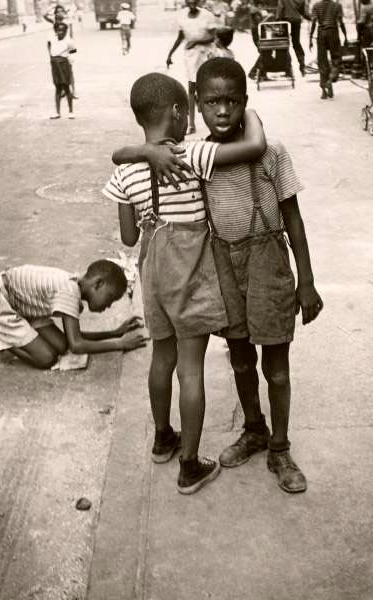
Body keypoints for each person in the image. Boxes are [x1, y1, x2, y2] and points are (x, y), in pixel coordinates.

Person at [137, 58, 323, 494]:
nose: (223, 111)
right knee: (241, 359)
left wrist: (307, 280)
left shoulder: (270, 151)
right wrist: (146, 150)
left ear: (245, 102)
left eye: (233, 101)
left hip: (269, 263)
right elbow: (134, 159)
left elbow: (294, 220)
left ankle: (280, 447)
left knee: (276, 366)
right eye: (213, 102)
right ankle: (254, 428)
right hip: (222, 267)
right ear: (196, 105)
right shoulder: (194, 156)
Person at [103, 72, 267, 495]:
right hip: (189, 267)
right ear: (178, 112)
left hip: (152, 269)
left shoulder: (126, 172)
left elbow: (127, 238)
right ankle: (190, 465)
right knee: (190, 369)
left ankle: (163, 439)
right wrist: (248, 111)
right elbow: (255, 147)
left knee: (163, 357)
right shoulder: (191, 154)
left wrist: (138, 156)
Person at [0, 260, 147, 368]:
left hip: (23, 305)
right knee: (46, 358)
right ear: (98, 284)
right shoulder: (70, 290)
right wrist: (120, 343)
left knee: (61, 345)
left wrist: (114, 332)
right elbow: (77, 345)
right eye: (110, 298)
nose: (108, 306)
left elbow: (72, 340)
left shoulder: (73, 288)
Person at [166, 0, 218, 134]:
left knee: (209, 87)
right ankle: (192, 124)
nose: (192, 3)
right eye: (189, 1)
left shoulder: (207, 15)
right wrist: (170, 54)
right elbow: (180, 37)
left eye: (194, 0)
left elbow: (213, 37)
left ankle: (214, 122)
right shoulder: (182, 16)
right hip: (191, 56)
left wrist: (196, 41)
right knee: (191, 88)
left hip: (207, 53)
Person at [309, 0, 348, 99]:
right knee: (336, 60)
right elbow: (341, 22)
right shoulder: (337, 5)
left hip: (321, 33)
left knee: (322, 62)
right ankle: (329, 81)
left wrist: (310, 38)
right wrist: (345, 36)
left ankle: (324, 91)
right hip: (333, 33)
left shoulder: (316, 5)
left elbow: (313, 21)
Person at [44, 5, 78, 98]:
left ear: (64, 12)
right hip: (58, 48)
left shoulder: (67, 21)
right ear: (55, 13)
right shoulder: (55, 21)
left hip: (67, 47)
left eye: (61, 11)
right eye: (58, 11)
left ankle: (73, 92)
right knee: (60, 72)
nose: (60, 13)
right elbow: (45, 15)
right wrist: (52, 7)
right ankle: (64, 90)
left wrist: (72, 49)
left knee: (70, 70)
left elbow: (71, 35)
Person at [48, 22, 76, 119]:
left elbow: (73, 50)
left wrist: (66, 56)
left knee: (66, 87)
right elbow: (49, 46)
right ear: (55, 31)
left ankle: (71, 111)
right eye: (58, 30)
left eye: (63, 31)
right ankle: (57, 112)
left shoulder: (68, 41)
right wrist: (51, 58)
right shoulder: (52, 39)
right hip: (55, 64)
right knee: (57, 88)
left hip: (64, 64)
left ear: (66, 31)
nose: (60, 32)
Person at [276, 0, 310, 76]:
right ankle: (302, 66)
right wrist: (309, 18)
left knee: (284, 44)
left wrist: (278, 22)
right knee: (296, 43)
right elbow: (303, 12)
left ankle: (288, 69)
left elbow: (280, 10)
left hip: (285, 21)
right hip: (296, 20)